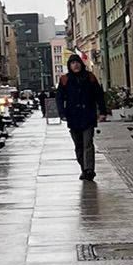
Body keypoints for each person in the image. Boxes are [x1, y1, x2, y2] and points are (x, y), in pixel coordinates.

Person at [55, 52, 108, 181]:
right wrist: (62, 113)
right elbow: (59, 98)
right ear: (69, 66)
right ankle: (83, 168)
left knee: (88, 143)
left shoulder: (90, 77)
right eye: (73, 63)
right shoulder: (64, 79)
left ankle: (90, 170)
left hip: (88, 115)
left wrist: (102, 112)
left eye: (77, 62)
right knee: (78, 145)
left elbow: (98, 95)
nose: (76, 65)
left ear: (81, 64)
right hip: (73, 116)